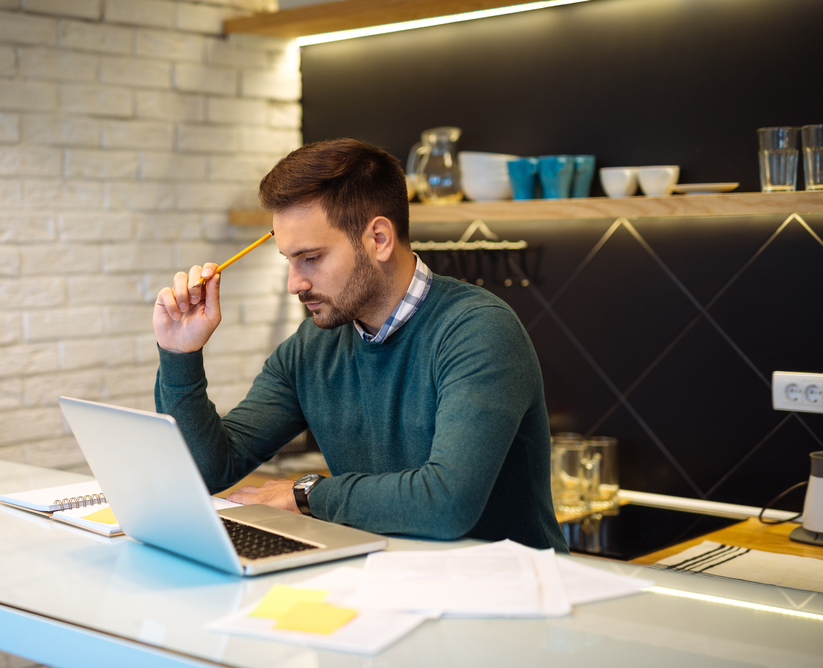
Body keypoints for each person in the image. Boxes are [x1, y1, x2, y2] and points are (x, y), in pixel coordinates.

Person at [152, 138, 566, 551]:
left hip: (506, 600)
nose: (295, 283)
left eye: (311, 258)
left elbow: (446, 503)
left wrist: (307, 493)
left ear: (379, 239)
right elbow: (207, 470)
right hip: (384, 586)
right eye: (289, 260)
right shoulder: (311, 347)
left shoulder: (477, 331)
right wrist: (179, 356)